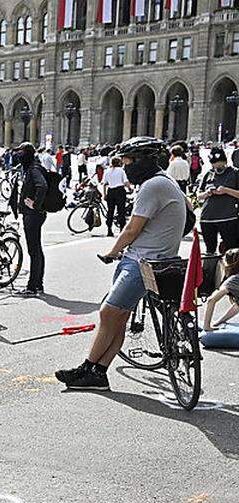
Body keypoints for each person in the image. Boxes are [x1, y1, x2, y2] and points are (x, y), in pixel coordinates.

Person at [56, 137, 189, 390]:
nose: (127, 167)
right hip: (158, 258)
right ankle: (98, 372)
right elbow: (188, 209)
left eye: (129, 162)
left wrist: (111, 251)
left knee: (108, 313)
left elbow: (131, 229)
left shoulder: (152, 186)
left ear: (143, 162)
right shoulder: (167, 182)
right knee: (120, 317)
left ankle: (87, 368)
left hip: (142, 262)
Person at [14, 142, 49, 296]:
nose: (19, 155)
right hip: (34, 214)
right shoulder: (32, 167)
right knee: (36, 250)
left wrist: (35, 204)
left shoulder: (34, 169)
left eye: (21, 152)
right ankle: (38, 284)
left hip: (33, 215)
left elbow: (42, 186)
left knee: (34, 251)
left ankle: (32, 286)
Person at [197, 147, 239, 255]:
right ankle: (210, 270)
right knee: (209, 250)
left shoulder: (234, 173)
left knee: (232, 250)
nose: (216, 167)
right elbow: (198, 195)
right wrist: (207, 193)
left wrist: (226, 190)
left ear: (225, 161)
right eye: (214, 164)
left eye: (219, 164)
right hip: (207, 218)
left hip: (228, 217)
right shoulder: (208, 174)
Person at [201, 250, 239, 349]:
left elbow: (211, 300)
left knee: (205, 338)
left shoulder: (233, 280)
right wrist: (219, 322)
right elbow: (237, 307)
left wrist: (207, 327)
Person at [101, 157, 129, 237]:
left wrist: (104, 194)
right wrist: (130, 188)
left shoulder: (107, 171)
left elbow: (104, 183)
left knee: (110, 211)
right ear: (119, 163)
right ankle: (121, 229)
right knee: (121, 211)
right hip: (120, 191)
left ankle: (109, 230)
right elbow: (126, 181)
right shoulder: (121, 170)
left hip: (110, 191)